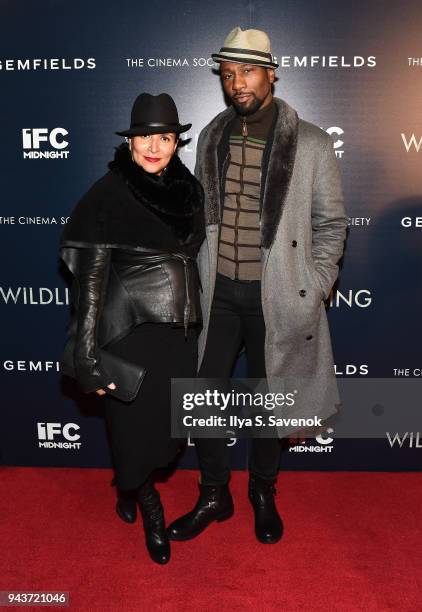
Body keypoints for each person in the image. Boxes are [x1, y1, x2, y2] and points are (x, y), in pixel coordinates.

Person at [167, 28, 348, 544]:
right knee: (201, 398)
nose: (236, 83)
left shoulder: (309, 142)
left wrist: (315, 284)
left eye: (247, 71)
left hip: (278, 297)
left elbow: (332, 225)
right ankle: (214, 493)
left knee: (275, 401)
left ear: (272, 72)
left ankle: (263, 491)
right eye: (228, 74)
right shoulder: (211, 136)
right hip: (218, 290)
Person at [60, 93, 205, 564]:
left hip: (179, 334)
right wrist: (86, 354)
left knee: (164, 440)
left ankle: (126, 484)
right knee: (132, 432)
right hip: (129, 333)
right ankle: (149, 508)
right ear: (130, 141)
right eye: (145, 136)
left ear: (176, 142)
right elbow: (91, 284)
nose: (154, 146)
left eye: (164, 137)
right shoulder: (108, 194)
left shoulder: (187, 190)